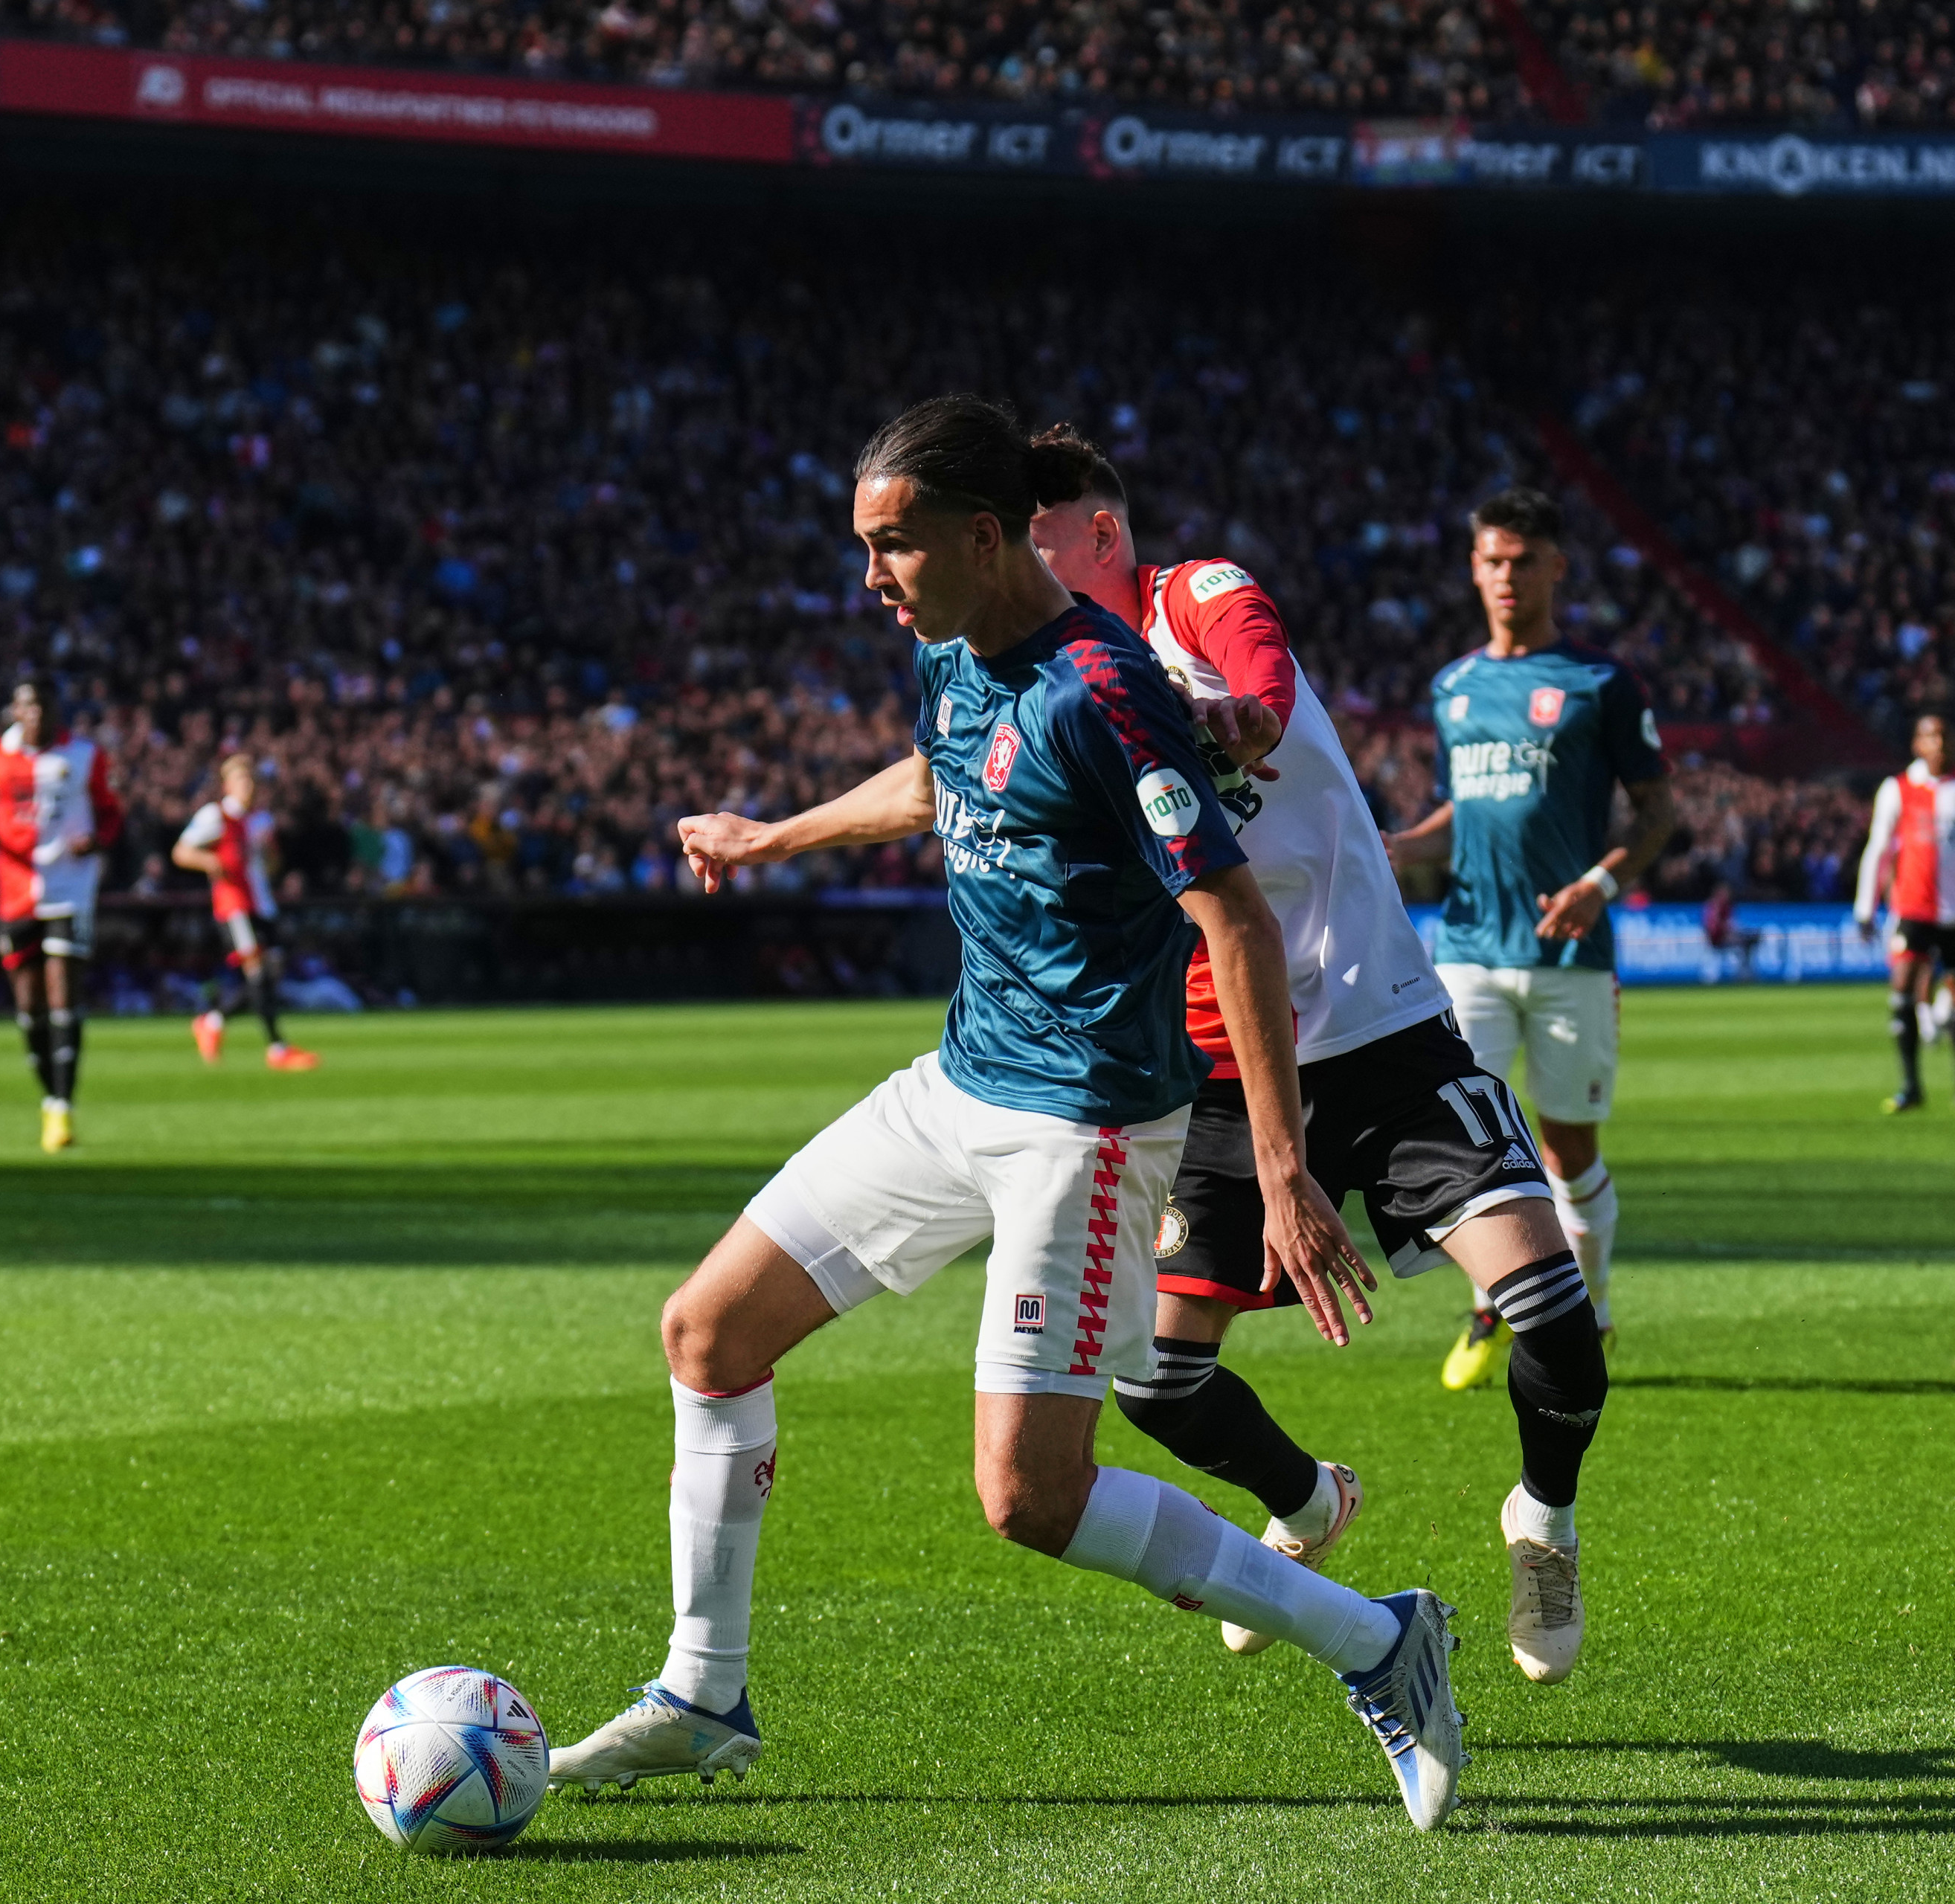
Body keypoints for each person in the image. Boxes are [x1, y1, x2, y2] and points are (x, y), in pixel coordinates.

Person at [545, 396, 1466, 1831]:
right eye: (865, 547)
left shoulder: (1107, 691)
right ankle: (704, 1693)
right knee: (707, 1333)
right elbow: (942, 778)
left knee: (1031, 1498)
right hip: (959, 1082)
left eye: (894, 545)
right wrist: (774, 833)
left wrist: (1285, 1171)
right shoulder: (951, 645)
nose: (872, 578)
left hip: (1083, 1127)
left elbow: (1235, 921)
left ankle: (1379, 1640)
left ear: (986, 537)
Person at [1027, 427, 1612, 1685]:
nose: (1014, 564)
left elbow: (1259, 682)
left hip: (1383, 1025)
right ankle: (1307, 1500)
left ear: (1101, 533)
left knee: (1555, 1317)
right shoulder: (1049, 682)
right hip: (1222, 1065)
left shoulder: (1194, 594)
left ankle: (1544, 1519)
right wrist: (781, 835)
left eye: (1033, 536)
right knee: (1156, 1385)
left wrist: (1229, 720)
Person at [1386, 489, 1675, 1380]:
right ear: (1474, 570)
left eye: (1522, 561)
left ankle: (1596, 1311)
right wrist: (1400, 846)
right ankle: (1493, 1307)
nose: (1506, 576)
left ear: (1556, 567)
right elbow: (1464, 812)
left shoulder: (1600, 682)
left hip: (1569, 956)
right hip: (1470, 948)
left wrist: (1599, 884)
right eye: (1492, 561)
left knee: (1569, 1150)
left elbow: (1658, 812)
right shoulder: (1455, 687)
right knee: (1464, 1145)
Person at [0, 683, 121, 1153]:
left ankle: (62, 1106)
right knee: (29, 1006)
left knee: (62, 993)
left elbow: (111, 813)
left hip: (71, 889)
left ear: (55, 710)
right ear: (15, 711)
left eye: (43, 704)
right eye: (27, 704)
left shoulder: (84, 755)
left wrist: (96, 842)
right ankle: (49, 1096)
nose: (35, 712)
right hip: (16, 892)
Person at [173, 753, 319, 1072]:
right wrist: (210, 861)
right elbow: (182, 851)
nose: (248, 786)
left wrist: (269, 854)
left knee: (270, 973)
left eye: (251, 779)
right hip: (235, 905)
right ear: (227, 785)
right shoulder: (215, 815)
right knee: (258, 974)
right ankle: (277, 1048)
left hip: (263, 905)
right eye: (241, 779)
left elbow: (272, 865)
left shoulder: (260, 821)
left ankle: (212, 1021)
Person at [1855, 710, 1954, 1113]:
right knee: (1902, 991)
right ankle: (1911, 1086)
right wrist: (1865, 907)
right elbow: (1878, 848)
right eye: (1931, 736)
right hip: (1914, 909)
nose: (1939, 744)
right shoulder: (1897, 789)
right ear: (1916, 744)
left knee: (1950, 1006)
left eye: (1944, 736)